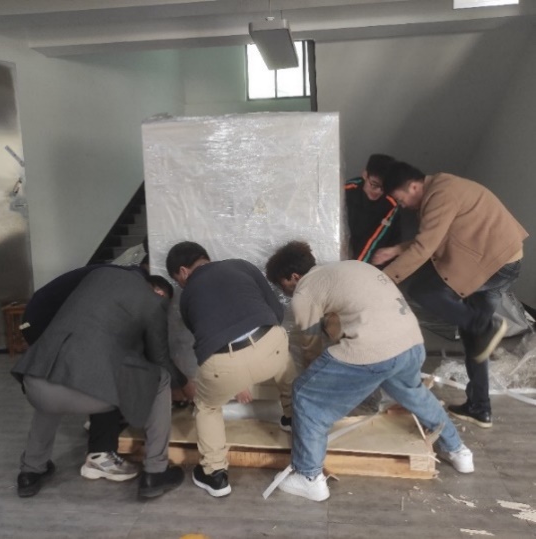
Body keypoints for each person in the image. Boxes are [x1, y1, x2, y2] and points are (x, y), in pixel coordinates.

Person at [265, 241, 474, 502]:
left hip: (373, 352)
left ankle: (308, 477)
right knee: (413, 393)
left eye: (283, 285)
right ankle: (458, 451)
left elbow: (310, 348)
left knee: (306, 396)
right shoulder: (353, 267)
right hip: (410, 343)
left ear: (294, 277)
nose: (285, 292)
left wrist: (316, 384)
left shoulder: (304, 292)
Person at [12, 267, 193, 499]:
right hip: (89, 394)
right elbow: (159, 359)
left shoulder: (98, 279)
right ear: (159, 293)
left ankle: (30, 471)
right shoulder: (152, 301)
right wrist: (185, 385)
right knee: (161, 378)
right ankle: (156, 472)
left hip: (34, 383)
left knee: (52, 376)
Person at [372, 162, 528, 429]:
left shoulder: (442, 194)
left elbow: (425, 248)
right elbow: (435, 236)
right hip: (496, 259)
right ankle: (480, 408)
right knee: (475, 338)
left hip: (495, 263)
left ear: (413, 186)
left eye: (401, 199)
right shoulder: (439, 191)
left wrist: (380, 282)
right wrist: (397, 250)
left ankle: (484, 326)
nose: (402, 205)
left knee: (423, 289)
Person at [166, 241, 296, 498]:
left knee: (207, 407)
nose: (180, 285)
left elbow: (207, 338)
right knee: (284, 360)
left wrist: (238, 379)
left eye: (177, 280)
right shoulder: (241, 266)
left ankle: (215, 474)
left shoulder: (187, 296)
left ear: (183, 271)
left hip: (223, 364)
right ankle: (292, 417)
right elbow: (276, 312)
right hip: (270, 345)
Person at [345, 154, 401, 263]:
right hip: (348, 252)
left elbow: (375, 240)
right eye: (374, 185)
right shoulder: (347, 190)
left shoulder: (390, 204)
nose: (378, 191)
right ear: (365, 175)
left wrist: (357, 266)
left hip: (375, 257)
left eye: (384, 188)